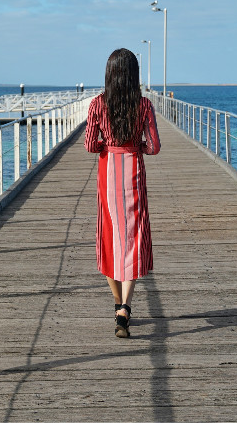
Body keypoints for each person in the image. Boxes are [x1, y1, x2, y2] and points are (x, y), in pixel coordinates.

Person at [84, 48, 161, 338]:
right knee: (132, 237)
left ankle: (117, 304)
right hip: (133, 173)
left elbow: (91, 144)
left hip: (108, 175)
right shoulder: (143, 105)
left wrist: (108, 145)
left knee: (109, 236)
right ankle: (125, 307)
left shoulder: (97, 105)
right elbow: (153, 146)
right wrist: (136, 147)